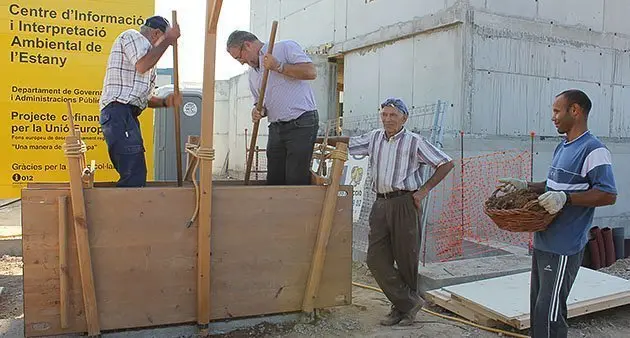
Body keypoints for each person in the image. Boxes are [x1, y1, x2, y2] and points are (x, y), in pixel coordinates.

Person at [498, 89, 617, 338]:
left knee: (550, 313)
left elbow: (608, 194)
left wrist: (567, 198)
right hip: (544, 239)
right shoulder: (563, 147)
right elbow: (554, 187)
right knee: (539, 307)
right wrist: (526, 185)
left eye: (556, 111)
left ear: (575, 110)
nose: (552, 117)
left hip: (564, 244)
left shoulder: (593, 150)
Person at [348, 97, 454, 326]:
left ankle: (402, 310)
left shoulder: (414, 141)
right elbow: (348, 143)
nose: (388, 119)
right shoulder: (374, 137)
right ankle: (409, 302)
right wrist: (313, 138)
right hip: (380, 204)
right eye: (384, 114)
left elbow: (445, 163)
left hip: (405, 203)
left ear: (404, 118)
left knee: (406, 259)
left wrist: (423, 191)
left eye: (393, 115)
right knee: (375, 259)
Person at [226, 30, 319, 185]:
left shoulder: (284, 48)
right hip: (276, 127)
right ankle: (277, 209)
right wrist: (258, 111)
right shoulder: (252, 74)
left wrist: (279, 66)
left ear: (247, 45)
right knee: (274, 180)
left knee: (295, 179)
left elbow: (311, 72)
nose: (241, 62)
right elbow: (260, 103)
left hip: (301, 123)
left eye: (239, 57)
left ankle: (295, 209)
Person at [99, 16, 182, 187]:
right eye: (162, 39)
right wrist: (168, 41)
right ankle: (129, 211)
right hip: (118, 111)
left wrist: (166, 102)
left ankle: (130, 209)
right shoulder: (133, 37)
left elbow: (143, 98)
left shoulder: (148, 59)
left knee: (135, 171)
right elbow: (142, 65)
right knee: (133, 172)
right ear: (156, 34)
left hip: (125, 114)